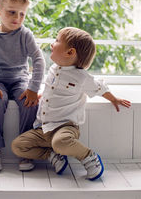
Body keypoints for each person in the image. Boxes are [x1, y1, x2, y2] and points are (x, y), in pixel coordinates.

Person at [11, 27, 131, 180]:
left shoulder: (81, 77)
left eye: (57, 41)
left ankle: (89, 157)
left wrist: (114, 99)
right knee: (17, 146)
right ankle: (52, 156)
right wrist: (39, 95)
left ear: (70, 53)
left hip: (65, 127)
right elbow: (51, 89)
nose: (52, 44)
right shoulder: (53, 69)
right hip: (44, 128)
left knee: (60, 142)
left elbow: (98, 87)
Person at [0, 0, 45, 172]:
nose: (17, 18)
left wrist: (33, 88)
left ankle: (25, 149)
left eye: (22, 14)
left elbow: (39, 60)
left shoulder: (25, 34)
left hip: (19, 79)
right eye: (11, 12)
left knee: (29, 102)